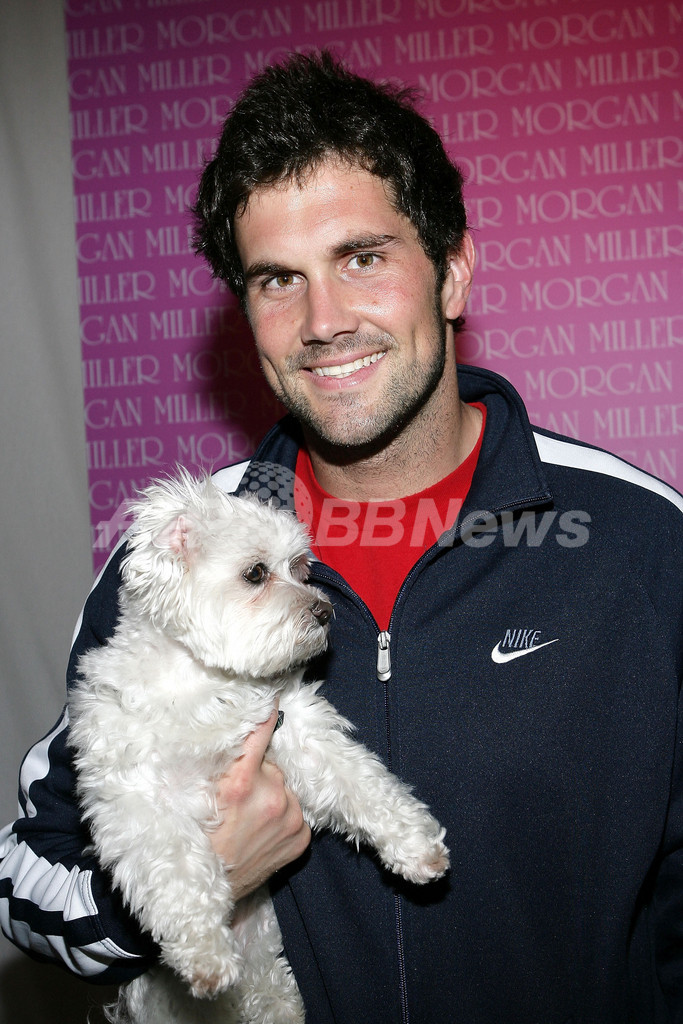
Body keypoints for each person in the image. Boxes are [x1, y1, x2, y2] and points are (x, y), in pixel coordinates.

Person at [2, 50, 683, 1023]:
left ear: (451, 271)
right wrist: (181, 890)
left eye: (361, 259)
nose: (322, 321)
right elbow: (29, 876)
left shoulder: (639, 542)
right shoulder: (173, 568)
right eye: (278, 279)